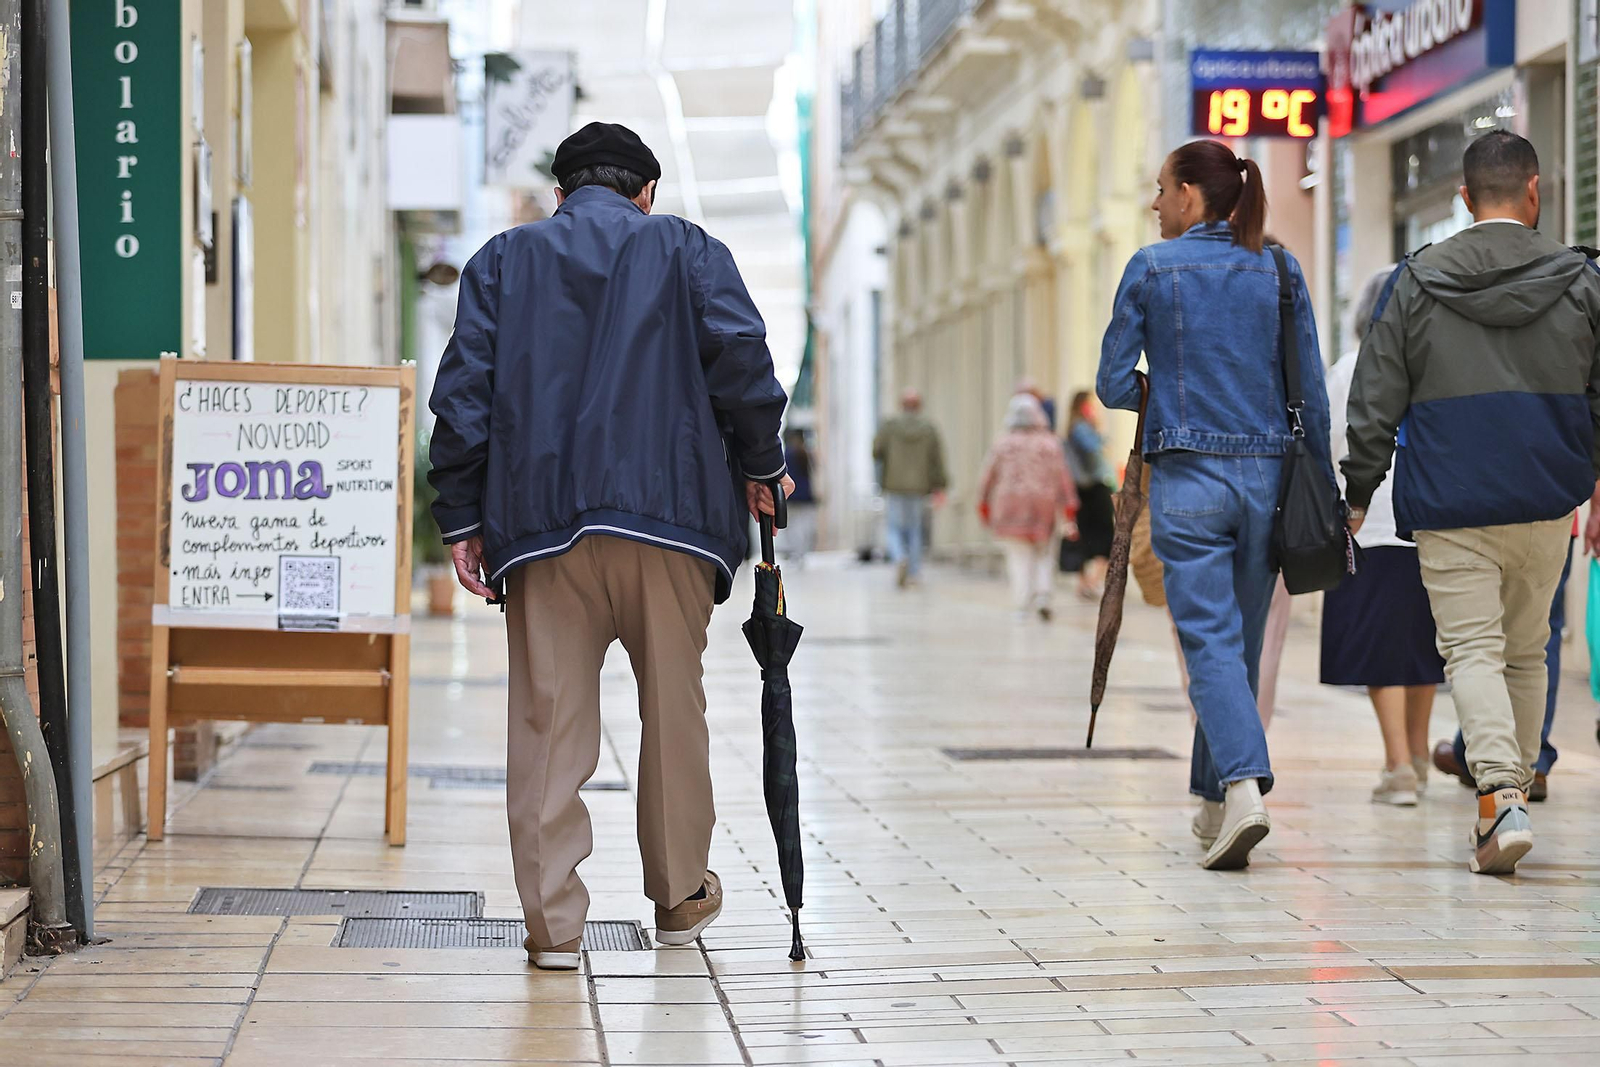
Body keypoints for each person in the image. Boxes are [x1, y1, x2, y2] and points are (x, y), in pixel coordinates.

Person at [427, 122, 793, 969]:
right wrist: (762, 464)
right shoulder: (688, 249)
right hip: (668, 524)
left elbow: (464, 396)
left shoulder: (503, 261)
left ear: (561, 194)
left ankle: (553, 925)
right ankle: (677, 895)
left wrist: (462, 517)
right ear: (646, 193)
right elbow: (743, 360)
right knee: (672, 709)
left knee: (549, 724)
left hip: (543, 529)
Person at [1343, 131, 1600, 875]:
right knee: (1527, 649)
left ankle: (1498, 798)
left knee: (1474, 651)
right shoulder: (1581, 282)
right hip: (1549, 500)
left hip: (1453, 501)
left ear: (1462, 199)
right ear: (1534, 192)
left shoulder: (1416, 282)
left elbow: (1374, 396)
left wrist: (1358, 491)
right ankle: (1508, 793)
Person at [1098, 139, 1333, 871]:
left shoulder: (1152, 267)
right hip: (1268, 482)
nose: (1156, 203)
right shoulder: (1282, 267)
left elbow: (1110, 382)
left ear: (1192, 197)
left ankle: (1242, 786)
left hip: (1189, 481)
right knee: (1233, 645)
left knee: (1207, 643)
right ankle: (1210, 803)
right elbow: (1312, 391)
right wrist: (1329, 484)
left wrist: (1161, 391)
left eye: (1162, 189)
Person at [1322, 266, 1446, 807]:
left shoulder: (1346, 369)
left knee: (1382, 652)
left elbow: (1330, 446)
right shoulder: (1431, 367)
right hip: (1429, 523)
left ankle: (1398, 764)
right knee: (1421, 648)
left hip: (1366, 528)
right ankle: (1416, 755)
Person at [977, 393, 1079, 621]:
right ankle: (1043, 595)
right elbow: (1063, 477)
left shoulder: (1002, 443)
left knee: (1018, 557)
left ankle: (1022, 604)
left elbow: (988, 476)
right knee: (1044, 553)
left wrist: (983, 502)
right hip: (1044, 506)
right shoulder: (1050, 443)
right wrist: (1070, 506)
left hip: (1010, 507)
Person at [873, 389, 948, 587]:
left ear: (901, 405)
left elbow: (876, 450)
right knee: (915, 529)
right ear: (919, 406)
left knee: (894, 527)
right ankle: (914, 572)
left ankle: (899, 557)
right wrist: (940, 484)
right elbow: (937, 459)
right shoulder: (928, 428)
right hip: (919, 486)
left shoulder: (890, 426)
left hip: (894, 484)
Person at [1064, 391, 1114, 600]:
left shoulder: (1074, 428)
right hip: (1094, 488)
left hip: (1085, 489)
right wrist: (1097, 425)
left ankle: (1086, 583)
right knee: (1103, 535)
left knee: (1086, 534)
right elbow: (1095, 447)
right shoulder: (1082, 428)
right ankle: (1092, 582)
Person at [782, 428, 818, 566]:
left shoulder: (787, 455)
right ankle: (802, 553)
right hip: (806, 496)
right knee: (804, 526)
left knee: (792, 527)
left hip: (791, 496)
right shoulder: (806, 454)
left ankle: (795, 554)